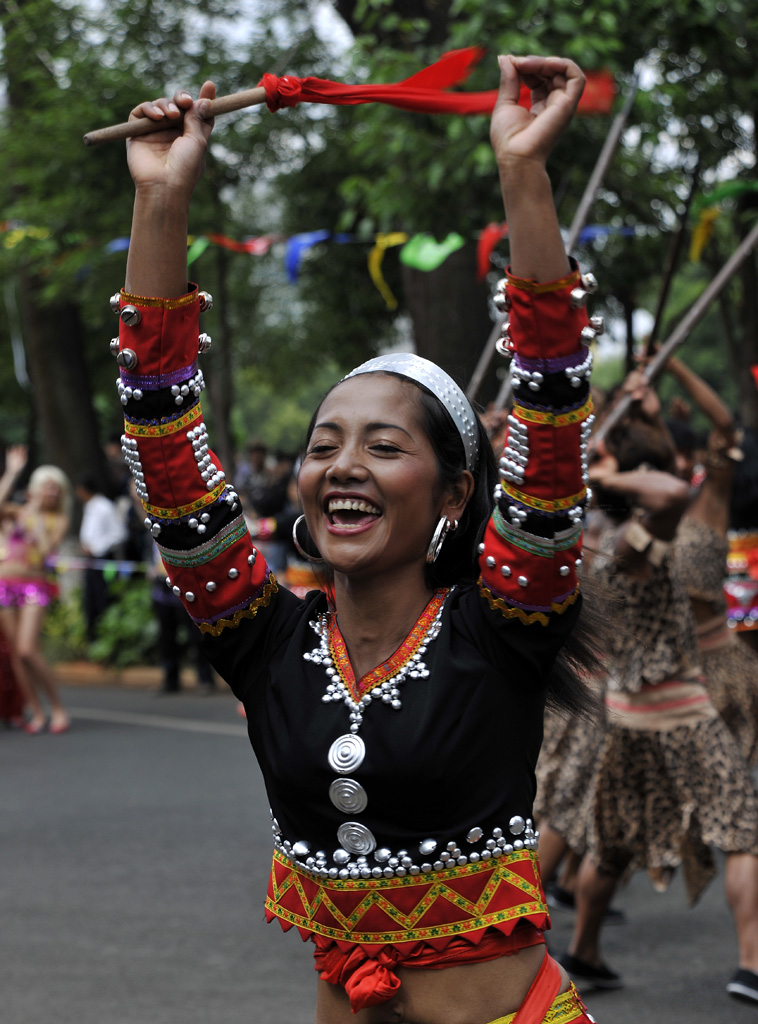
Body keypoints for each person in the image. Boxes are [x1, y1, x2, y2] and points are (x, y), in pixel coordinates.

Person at [115, 54, 600, 1023]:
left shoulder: (502, 628)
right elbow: (166, 447)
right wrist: (162, 202)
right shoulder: (267, 644)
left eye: (383, 447)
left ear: (454, 495)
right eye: (323, 444)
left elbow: (548, 421)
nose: (342, 466)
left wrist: (522, 178)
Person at [561, 376, 758, 1004]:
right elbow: (673, 485)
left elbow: (679, 473)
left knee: (610, 843)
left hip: (625, 713)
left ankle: (583, 951)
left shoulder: (593, 540)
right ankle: (752, 964)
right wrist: (604, 474)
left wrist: (602, 462)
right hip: (680, 708)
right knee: (742, 829)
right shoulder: (631, 546)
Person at [0, 445, 71, 733]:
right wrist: (12, 472)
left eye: (55, 489)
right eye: (46, 487)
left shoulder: (59, 520)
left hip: (33, 585)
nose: (50, 493)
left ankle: (57, 707)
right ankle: (37, 711)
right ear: (36, 488)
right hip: (5, 585)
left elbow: (43, 551)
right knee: (16, 654)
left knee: (28, 649)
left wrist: (36, 520)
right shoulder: (17, 512)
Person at [75, 474, 128, 641]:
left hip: (105, 561)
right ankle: (94, 637)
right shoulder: (90, 506)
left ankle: (109, 638)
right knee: (91, 600)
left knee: (104, 597)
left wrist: (97, 547)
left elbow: (119, 534)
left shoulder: (104, 507)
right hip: (91, 561)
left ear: (83, 490)